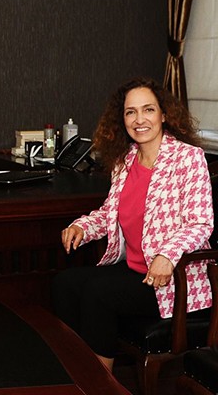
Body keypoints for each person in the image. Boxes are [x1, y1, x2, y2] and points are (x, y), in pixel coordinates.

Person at [52, 77, 214, 372]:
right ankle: (75, 372)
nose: (139, 119)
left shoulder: (188, 158)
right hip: (135, 270)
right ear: (122, 119)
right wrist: (82, 227)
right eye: (131, 112)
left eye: (148, 110)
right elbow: (109, 213)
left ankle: (99, 384)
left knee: (99, 293)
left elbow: (200, 222)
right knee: (65, 284)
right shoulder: (125, 161)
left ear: (163, 114)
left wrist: (167, 255)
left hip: (172, 280)